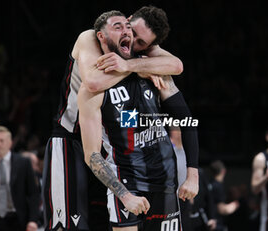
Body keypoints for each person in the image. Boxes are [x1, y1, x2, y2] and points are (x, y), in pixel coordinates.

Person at [42, 6, 186, 231]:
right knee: (68, 224)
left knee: (103, 220)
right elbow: (93, 82)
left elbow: (176, 66)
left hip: (108, 142)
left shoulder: (134, 47)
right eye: (123, 28)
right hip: (72, 138)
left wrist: (130, 64)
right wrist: (142, 67)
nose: (136, 45)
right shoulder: (89, 38)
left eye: (141, 44)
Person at [78, 10, 199, 231]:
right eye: (123, 28)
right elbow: (91, 155)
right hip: (127, 182)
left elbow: (187, 120)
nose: (129, 35)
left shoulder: (154, 70)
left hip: (165, 180)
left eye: (137, 38)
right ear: (102, 36)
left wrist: (193, 175)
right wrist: (124, 196)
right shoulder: (92, 79)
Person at [0, 126, 39, 231]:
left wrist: (33, 220)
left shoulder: (23, 163)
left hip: (17, 219)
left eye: (1, 141)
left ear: (10, 143)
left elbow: (33, 194)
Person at [208, 161, 239, 231]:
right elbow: (222, 209)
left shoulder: (208, 184)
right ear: (223, 171)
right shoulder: (218, 186)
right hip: (217, 225)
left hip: (209, 223)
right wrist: (235, 204)